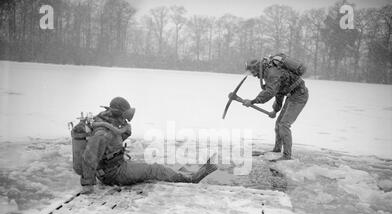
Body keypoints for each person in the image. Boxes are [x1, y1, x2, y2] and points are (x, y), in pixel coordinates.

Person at [80, 97, 217, 194]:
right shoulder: (102, 133)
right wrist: (87, 185)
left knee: (150, 167)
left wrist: (124, 131)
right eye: (124, 116)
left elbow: (115, 142)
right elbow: (89, 157)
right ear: (117, 113)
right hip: (113, 174)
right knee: (154, 169)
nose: (126, 119)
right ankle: (190, 180)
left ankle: (182, 175)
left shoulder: (110, 124)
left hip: (115, 167)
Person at [239, 55, 309, 161]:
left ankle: (287, 156)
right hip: (291, 95)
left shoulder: (272, 73)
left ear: (258, 68)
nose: (254, 75)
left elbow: (270, 92)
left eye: (253, 72)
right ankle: (277, 149)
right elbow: (279, 92)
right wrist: (275, 110)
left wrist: (253, 101)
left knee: (284, 125)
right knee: (278, 124)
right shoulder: (269, 72)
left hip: (299, 96)